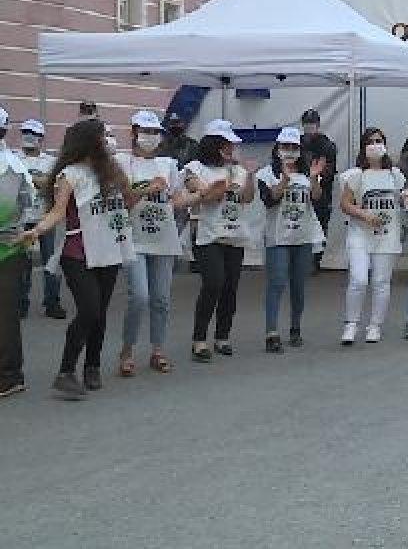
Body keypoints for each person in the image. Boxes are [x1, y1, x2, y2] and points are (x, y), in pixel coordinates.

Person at [19, 119, 138, 400]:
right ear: (88, 141)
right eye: (103, 136)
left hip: (110, 249)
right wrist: (35, 231)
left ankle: (92, 366)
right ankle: (65, 372)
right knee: (89, 309)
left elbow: (130, 202)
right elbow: (58, 212)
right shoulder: (69, 174)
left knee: (100, 312)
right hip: (77, 253)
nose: (108, 140)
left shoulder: (111, 171)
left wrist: (122, 179)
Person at [114, 111, 189, 376]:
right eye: (145, 131)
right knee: (140, 296)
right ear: (133, 132)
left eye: (155, 132)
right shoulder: (121, 162)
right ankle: (127, 349)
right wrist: (148, 189)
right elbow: (122, 201)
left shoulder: (168, 164)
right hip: (134, 239)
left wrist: (203, 194)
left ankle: (158, 349)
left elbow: (177, 199)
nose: (150, 137)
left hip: (164, 238)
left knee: (161, 299)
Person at [183, 120, 256, 362]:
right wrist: (224, 186)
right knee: (213, 282)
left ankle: (222, 336)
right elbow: (206, 197)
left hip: (234, 234)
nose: (230, 149)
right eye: (225, 144)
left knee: (230, 287)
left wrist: (249, 176)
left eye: (231, 145)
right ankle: (199, 339)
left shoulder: (238, 170)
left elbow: (247, 199)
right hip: (208, 234)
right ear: (212, 144)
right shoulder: (194, 168)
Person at [339, 128, 408, 345]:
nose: (375, 145)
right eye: (370, 141)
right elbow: (344, 204)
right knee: (359, 279)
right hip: (360, 234)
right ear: (363, 147)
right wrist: (363, 214)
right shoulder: (355, 175)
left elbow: (404, 199)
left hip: (387, 234)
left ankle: (375, 325)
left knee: (381, 281)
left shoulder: (395, 175)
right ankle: (351, 324)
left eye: (379, 141)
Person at [257, 127, 326, 353]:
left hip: (303, 236)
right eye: (285, 147)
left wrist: (315, 178)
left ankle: (295, 328)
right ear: (277, 149)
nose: (289, 151)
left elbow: (316, 198)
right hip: (277, 237)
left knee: (298, 285)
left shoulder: (307, 174)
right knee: (276, 282)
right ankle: (271, 332)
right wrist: (284, 181)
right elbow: (269, 199)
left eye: (294, 147)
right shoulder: (266, 173)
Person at [16, 119, 66, 320]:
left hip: (45, 217)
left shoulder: (50, 161)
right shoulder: (13, 158)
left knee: (50, 261)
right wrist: (40, 181)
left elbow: (56, 184)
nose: (29, 136)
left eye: (33, 133)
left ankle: (52, 302)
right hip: (21, 217)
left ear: (41, 138)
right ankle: (21, 303)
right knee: (22, 263)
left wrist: (31, 179)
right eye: (26, 132)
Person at [0, 106, 33, 398]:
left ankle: (10, 375)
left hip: (7, 249)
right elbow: (26, 205)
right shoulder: (16, 164)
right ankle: (11, 373)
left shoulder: (10, 167)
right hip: (12, 246)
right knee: (6, 314)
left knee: (6, 316)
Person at [299, 109, 337, 266]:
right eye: (307, 124)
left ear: (318, 124)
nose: (309, 127)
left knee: (320, 225)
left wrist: (316, 172)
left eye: (312, 123)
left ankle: (316, 261)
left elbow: (330, 171)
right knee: (300, 223)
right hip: (299, 190)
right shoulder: (297, 142)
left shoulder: (327, 145)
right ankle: (301, 259)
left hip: (322, 192)